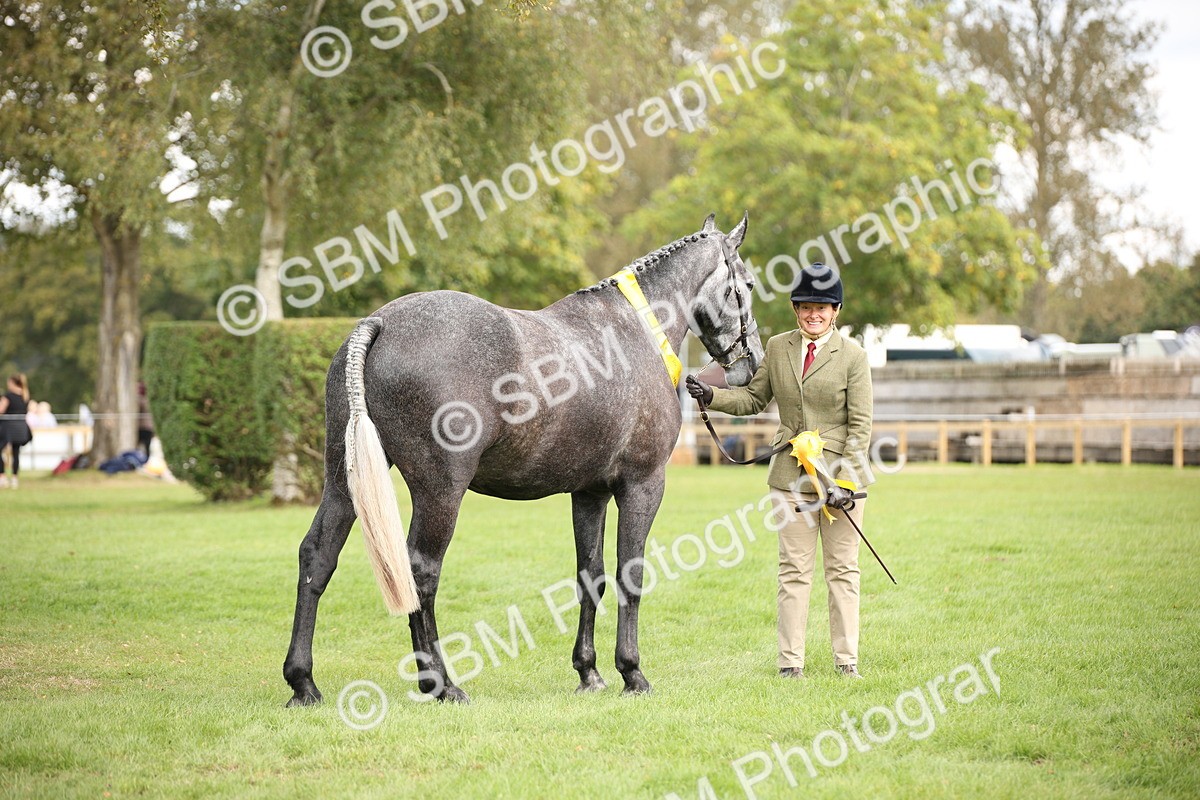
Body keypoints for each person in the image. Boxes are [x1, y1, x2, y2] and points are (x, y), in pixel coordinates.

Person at [686, 263, 874, 679]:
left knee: (842, 572)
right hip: (790, 477)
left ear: (836, 311)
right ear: (795, 309)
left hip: (838, 482)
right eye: (807, 307)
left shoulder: (855, 357)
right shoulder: (777, 347)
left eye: (822, 308)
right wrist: (712, 395)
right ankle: (791, 664)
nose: (814, 314)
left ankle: (847, 662)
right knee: (793, 572)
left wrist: (844, 482)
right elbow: (753, 399)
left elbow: (861, 427)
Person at [0, 374, 34, 490]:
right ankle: (14, 479)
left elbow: (1, 410)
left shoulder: (8, 396)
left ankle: (2, 476)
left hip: (8, 427)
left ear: (13, 383)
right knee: (16, 453)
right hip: (21, 427)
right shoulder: (25, 396)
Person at [136, 382, 155, 457]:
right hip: (147, 427)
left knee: (145, 446)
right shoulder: (148, 400)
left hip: (144, 427)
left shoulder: (143, 400)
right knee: (145, 446)